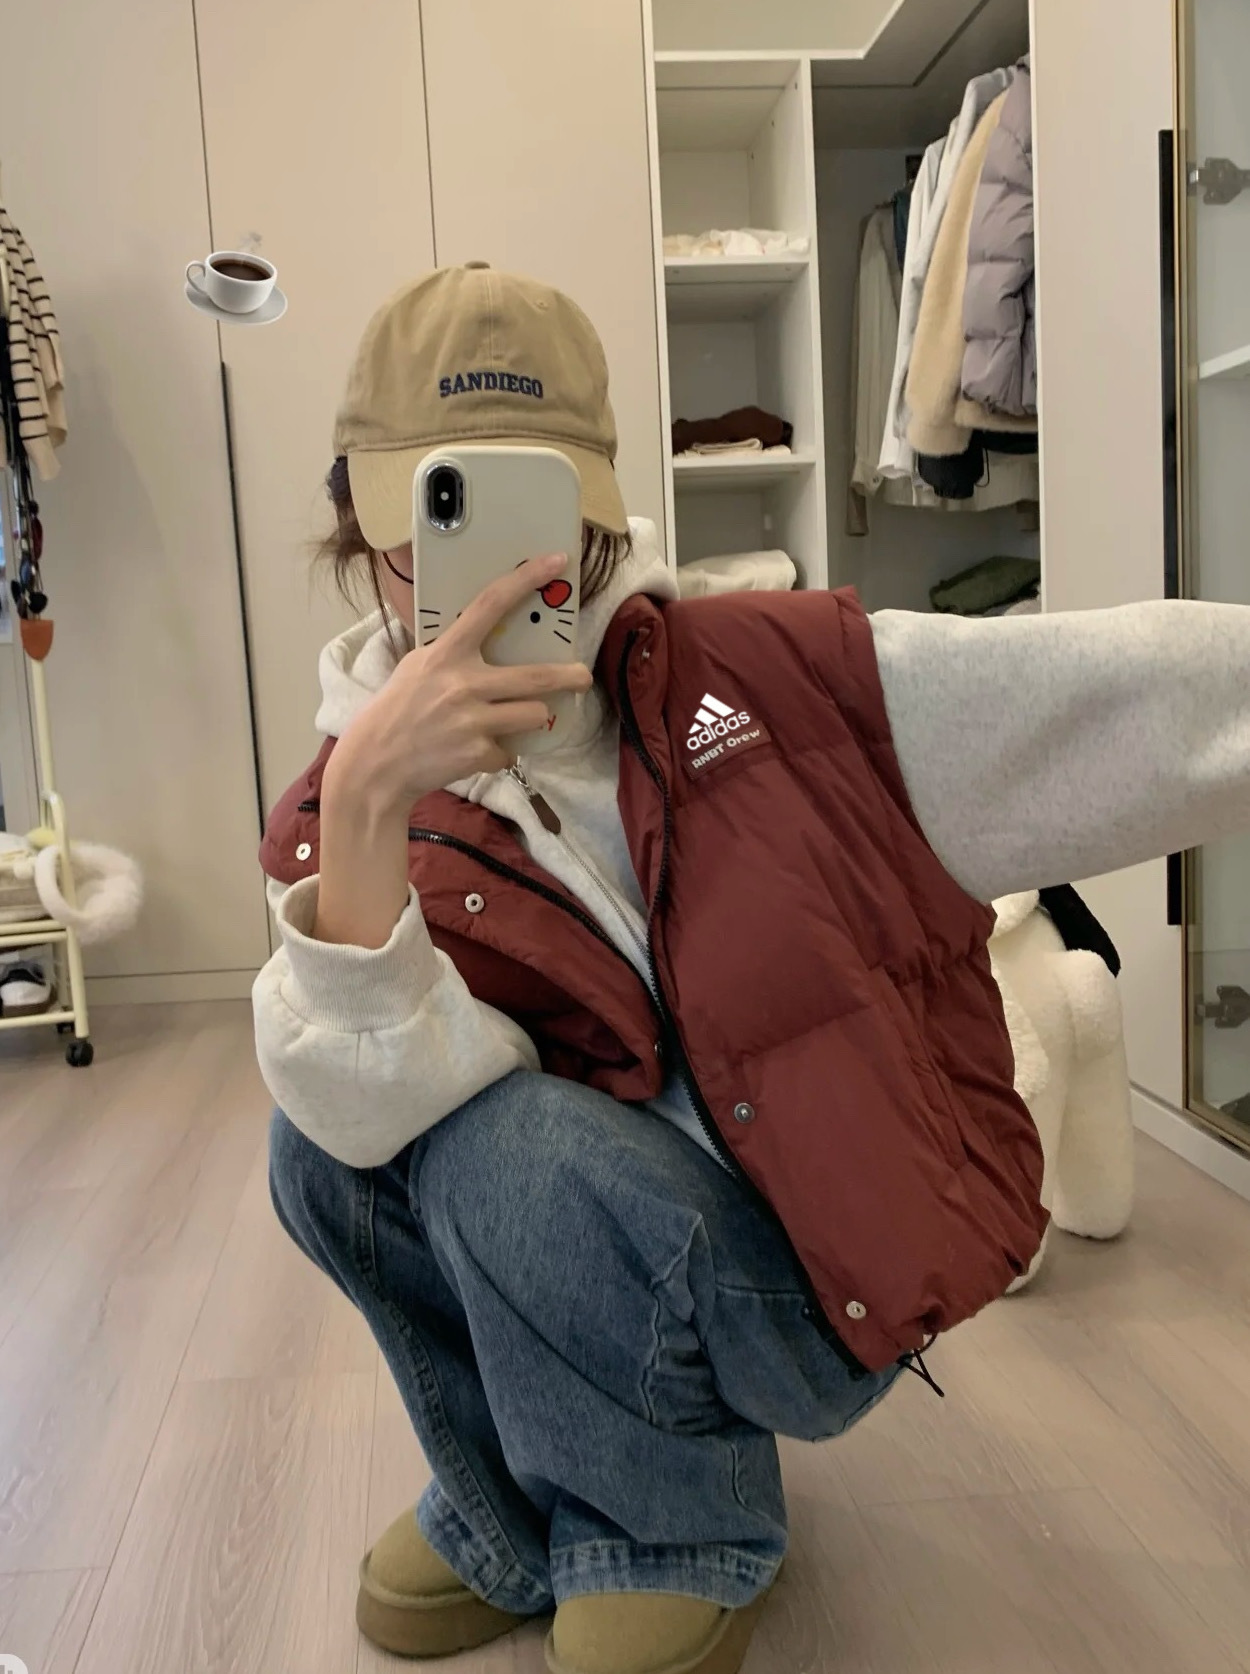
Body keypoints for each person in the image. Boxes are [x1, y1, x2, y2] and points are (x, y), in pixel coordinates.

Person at [257, 264, 1250, 1674]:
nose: (477, 576)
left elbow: (1104, 694)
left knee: (501, 1152)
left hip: (799, 1269)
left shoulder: (772, 679)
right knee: (321, 1151)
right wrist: (371, 805)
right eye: (432, 513)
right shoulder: (340, 792)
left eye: (520, 514)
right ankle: (508, 1506)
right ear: (359, 526)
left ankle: (674, 1523)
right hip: (587, 1228)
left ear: (592, 510)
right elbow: (365, 1125)